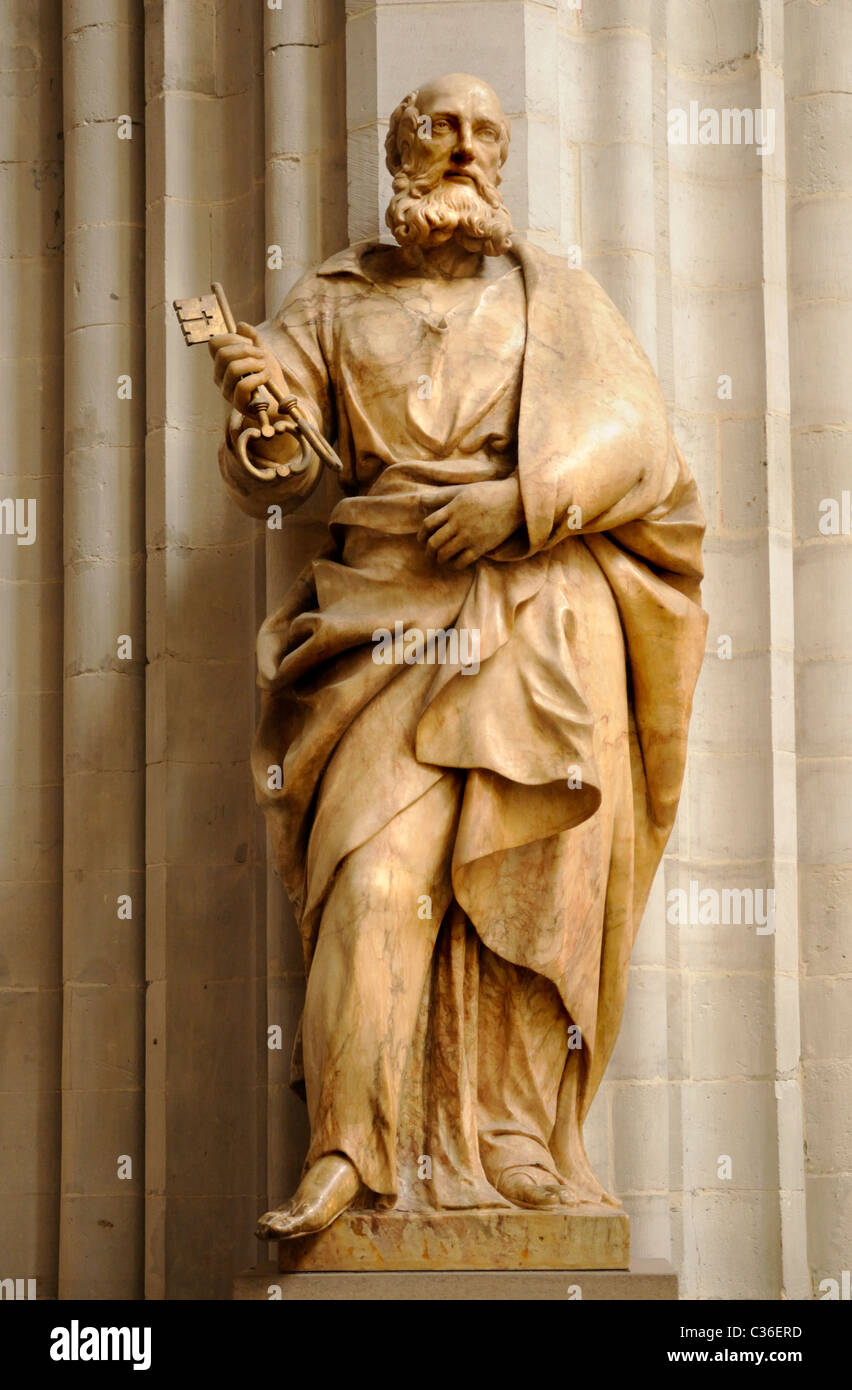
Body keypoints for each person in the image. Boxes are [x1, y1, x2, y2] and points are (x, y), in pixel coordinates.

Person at [209, 73, 707, 1240]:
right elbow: (270, 471)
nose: (465, 149)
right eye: (441, 126)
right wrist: (262, 415)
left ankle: (520, 1141)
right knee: (375, 881)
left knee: (538, 879)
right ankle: (350, 1145)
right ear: (400, 147)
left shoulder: (556, 297)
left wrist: (520, 501)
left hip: (539, 619)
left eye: (488, 131)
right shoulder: (329, 301)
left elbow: (646, 450)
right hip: (383, 616)